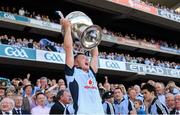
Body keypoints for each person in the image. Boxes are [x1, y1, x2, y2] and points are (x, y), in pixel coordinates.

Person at [61, 18, 104, 114]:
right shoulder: (72, 73)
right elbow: (68, 49)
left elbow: (95, 54)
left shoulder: (91, 73)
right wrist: (67, 28)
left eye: (86, 57)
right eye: (83, 57)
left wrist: (90, 35)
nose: (87, 59)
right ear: (75, 63)